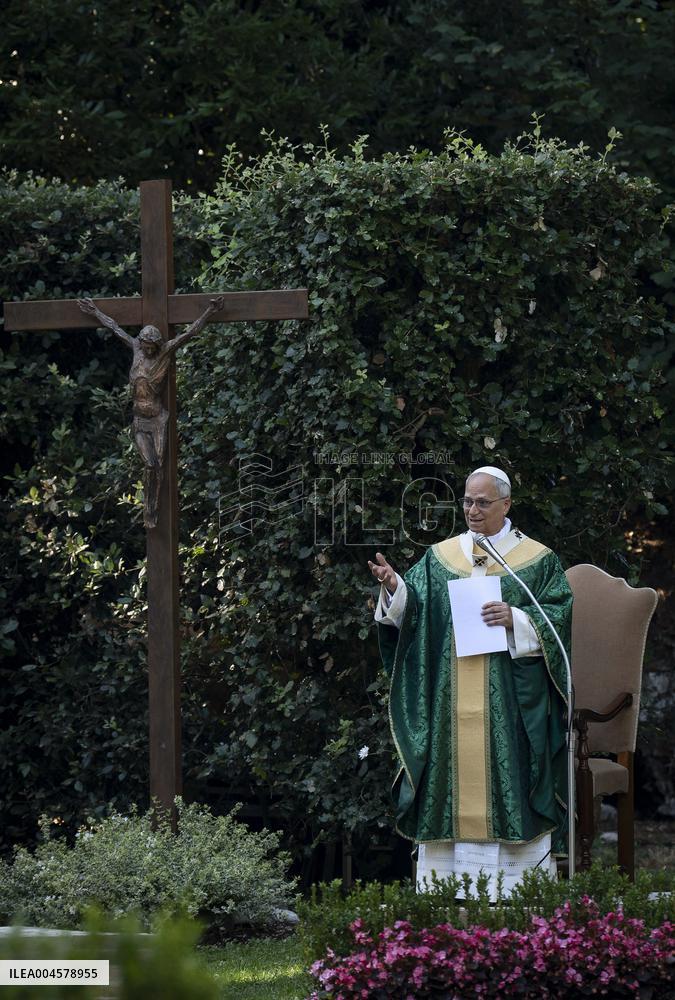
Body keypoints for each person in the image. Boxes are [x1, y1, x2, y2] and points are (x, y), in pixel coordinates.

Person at [368, 466, 572, 898]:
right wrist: (393, 588)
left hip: (512, 707)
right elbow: (415, 616)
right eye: (466, 501)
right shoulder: (442, 558)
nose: (472, 511)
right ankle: (443, 892)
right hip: (450, 706)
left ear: (506, 504)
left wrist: (515, 619)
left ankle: (517, 892)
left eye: (482, 502)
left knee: (511, 778)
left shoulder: (536, 561)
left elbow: (558, 620)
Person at [77, 295, 224, 528]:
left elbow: (189, 333)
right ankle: (149, 512)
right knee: (149, 464)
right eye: (144, 345)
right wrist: (95, 312)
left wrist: (210, 312)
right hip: (139, 421)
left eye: (150, 347)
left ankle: (154, 509)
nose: (146, 349)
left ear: (156, 345)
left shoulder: (164, 352)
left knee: (160, 467)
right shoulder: (136, 348)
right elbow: (115, 328)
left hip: (157, 420)